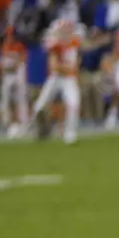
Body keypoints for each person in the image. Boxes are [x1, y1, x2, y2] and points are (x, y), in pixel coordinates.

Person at [31, 13, 83, 145]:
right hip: (56, 78)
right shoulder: (55, 45)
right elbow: (54, 67)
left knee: (73, 103)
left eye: (67, 31)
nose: (65, 33)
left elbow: (76, 64)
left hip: (69, 79)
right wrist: (67, 68)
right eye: (63, 31)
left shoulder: (74, 43)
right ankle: (37, 129)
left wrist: (70, 69)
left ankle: (69, 133)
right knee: (40, 106)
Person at [0, 26, 29, 137]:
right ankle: (9, 124)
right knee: (6, 100)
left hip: (17, 75)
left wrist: (12, 66)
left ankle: (23, 124)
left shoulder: (19, 46)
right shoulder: (4, 46)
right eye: (7, 35)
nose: (8, 37)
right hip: (7, 76)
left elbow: (22, 60)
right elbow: (1, 64)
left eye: (10, 35)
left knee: (20, 99)